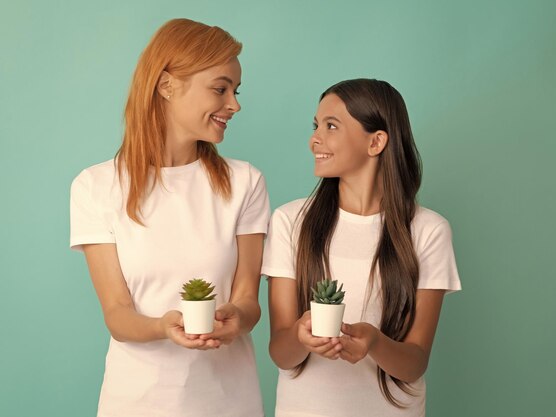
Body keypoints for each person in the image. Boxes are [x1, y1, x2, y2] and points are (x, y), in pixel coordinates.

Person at [69, 19, 268, 417]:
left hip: (228, 401)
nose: (235, 104)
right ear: (166, 86)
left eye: (235, 90)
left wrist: (237, 317)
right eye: (220, 88)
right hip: (138, 402)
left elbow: (248, 300)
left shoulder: (245, 182)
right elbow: (118, 314)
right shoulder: (96, 186)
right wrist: (164, 327)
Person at [262, 78, 461, 416]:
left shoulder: (429, 231)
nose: (315, 139)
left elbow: (414, 363)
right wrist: (300, 336)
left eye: (331, 126)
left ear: (376, 142)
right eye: (316, 125)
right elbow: (281, 353)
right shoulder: (290, 221)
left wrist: (374, 342)